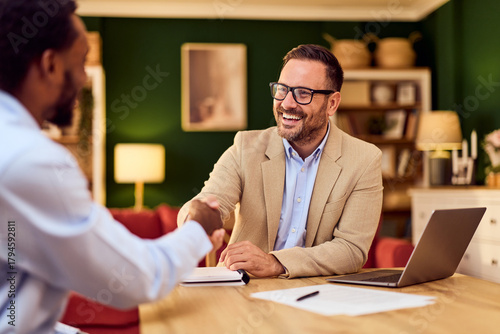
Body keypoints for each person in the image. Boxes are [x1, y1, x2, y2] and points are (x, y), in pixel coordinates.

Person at [0, 1, 225, 333]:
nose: (81, 80)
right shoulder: (31, 160)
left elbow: (15, 297)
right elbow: (134, 279)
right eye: (78, 64)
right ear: (49, 65)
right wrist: (199, 227)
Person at [178, 44, 383, 279]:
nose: (287, 103)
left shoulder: (365, 160)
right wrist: (196, 219)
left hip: (318, 294)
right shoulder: (246, 147)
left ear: (332, 104)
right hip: (247, 290)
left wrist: (276, 263)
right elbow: (211, 200)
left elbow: (351, 250)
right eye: (282, 89)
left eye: (303, 93)